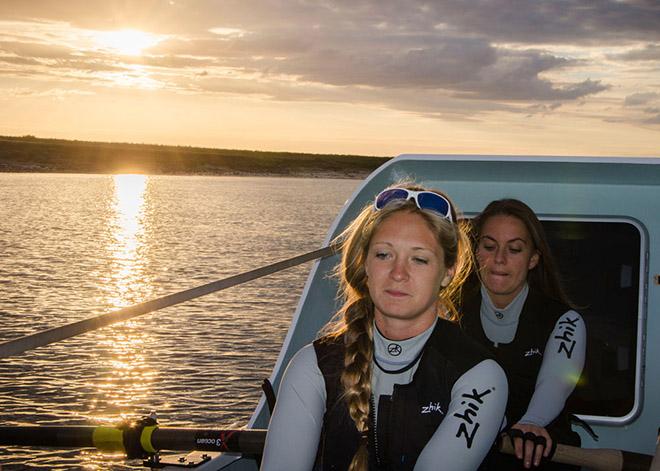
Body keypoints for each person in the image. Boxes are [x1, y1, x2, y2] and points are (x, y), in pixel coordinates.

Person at [260, 185, 508, 471]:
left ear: (447, 272)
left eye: (419, 259)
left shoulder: (480, 377)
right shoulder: (313, 366)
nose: (398, 273)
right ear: (365, 263)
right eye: (383, 255)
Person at [460, 199, 587, 470]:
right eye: (489, 246)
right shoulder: (449, 312)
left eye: (515, 249)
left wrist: (533, 422)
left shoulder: (565, 320)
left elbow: (555, 383)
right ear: (475, 251)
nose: (499, 259)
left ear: (533, 259)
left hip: (543, 454)